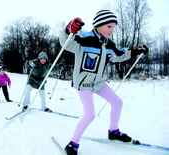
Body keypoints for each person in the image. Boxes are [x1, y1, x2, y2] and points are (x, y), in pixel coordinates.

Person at [59, 10, 149, 155]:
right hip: (84, 84)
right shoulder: (84, 38)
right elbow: (67, 43)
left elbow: (119, 55)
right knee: (90, 114)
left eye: (113, 27)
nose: (112, 30)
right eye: (109, 26)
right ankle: (73, 143)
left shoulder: (109, 44)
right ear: (99, 25)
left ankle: (113, 131)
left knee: (117, 102)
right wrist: (68, 29)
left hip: (99, 83)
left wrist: (135, 51)